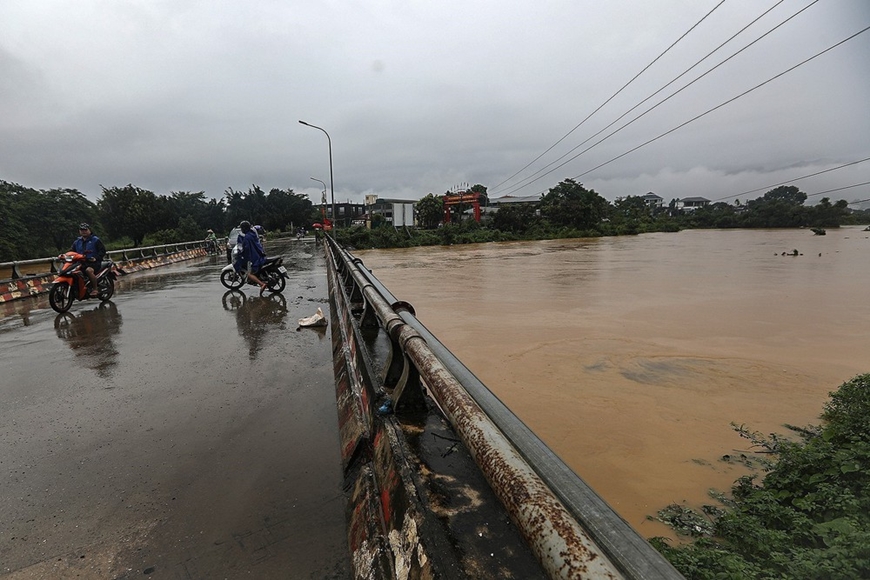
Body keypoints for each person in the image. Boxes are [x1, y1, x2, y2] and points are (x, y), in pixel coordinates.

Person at [71, 223, 106, 297]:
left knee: (88, 271)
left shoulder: (95, 240)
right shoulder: (77, 242)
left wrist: (95, 258)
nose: (84, 232)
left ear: (89, 230)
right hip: (81, 262)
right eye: (82, 230)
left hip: (93, 262)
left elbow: (102, 251)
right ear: (79, 231)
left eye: (85, 230)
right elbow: (72, 251)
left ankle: (95, 289)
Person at [234, 220, 267, 292]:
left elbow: (245, 249)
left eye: (242, 228)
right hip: (260, 254)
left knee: (249, 274)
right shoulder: (253, 234)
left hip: (254, 258)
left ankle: (262, 284)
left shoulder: (246, 238)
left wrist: (241, 254)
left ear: (244, 228)